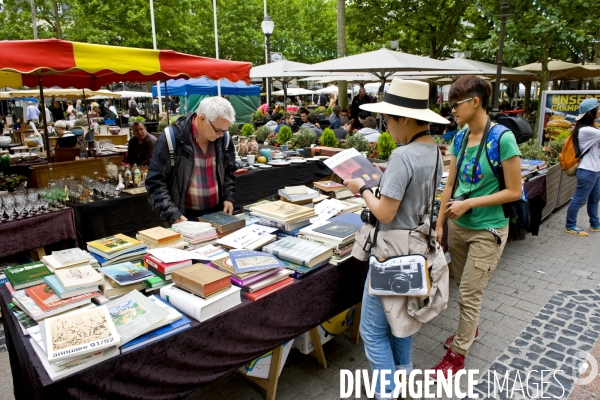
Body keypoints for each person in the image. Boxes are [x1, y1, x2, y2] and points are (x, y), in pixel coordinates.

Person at [344, 79, 449, 399]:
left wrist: (361, 188)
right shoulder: (433, 150)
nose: (386, 126)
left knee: (372, 332)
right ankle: (404, 384)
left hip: (391, 254)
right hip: (417, 249)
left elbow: (386, 213)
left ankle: (386, 393)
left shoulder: (404, 155)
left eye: (387, 119)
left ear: (403, 118)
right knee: (402, 323)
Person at [431, 75, 522, 378]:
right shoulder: (458, 138)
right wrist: (441, 223)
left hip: (489, 228)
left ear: (475, 102)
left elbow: (515, 191)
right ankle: (470, 330)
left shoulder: (502, 138)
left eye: (455, 104)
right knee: (464, 287)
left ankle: (458, 355)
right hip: (458, 227)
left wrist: (469, 203)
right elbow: (450, 184)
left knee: (470, 293)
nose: (451, 110)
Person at [146, 96, 237, 223]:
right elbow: (155, 182)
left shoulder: (224, 139)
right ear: (202, 118)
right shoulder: (171, 138)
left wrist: (228, 197)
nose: (221, 134)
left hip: (218, 212)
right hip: (184, 216)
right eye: (218, 130)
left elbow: (229, 171)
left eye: (225, 130)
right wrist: (172, 213)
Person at [564, 98, 600, 236]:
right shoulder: (586, 131)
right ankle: (570, 225)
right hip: (587, 170)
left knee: (595, 198)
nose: (599, 110)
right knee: (579, 198)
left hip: (595, 169)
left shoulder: (592, 128)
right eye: (597, 109)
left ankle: (595, 223)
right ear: (591, 112)